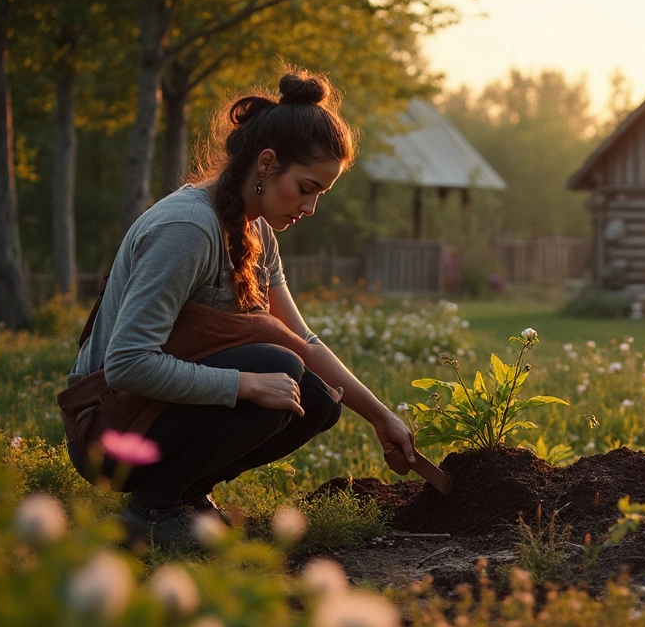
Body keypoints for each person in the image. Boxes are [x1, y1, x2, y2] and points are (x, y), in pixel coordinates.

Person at [65, 70, 418, 545]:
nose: (310, 208)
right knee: (275, 367)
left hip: (152, 416)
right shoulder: (187, 229)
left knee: (316, 400)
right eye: (307, 187)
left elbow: (304, 340)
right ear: (267, 164)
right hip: (109, 434)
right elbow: (127, 364)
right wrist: (243, 384)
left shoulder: (257, 230)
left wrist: (380, 417)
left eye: (321, 194)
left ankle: (183, 496)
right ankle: (151, 510)